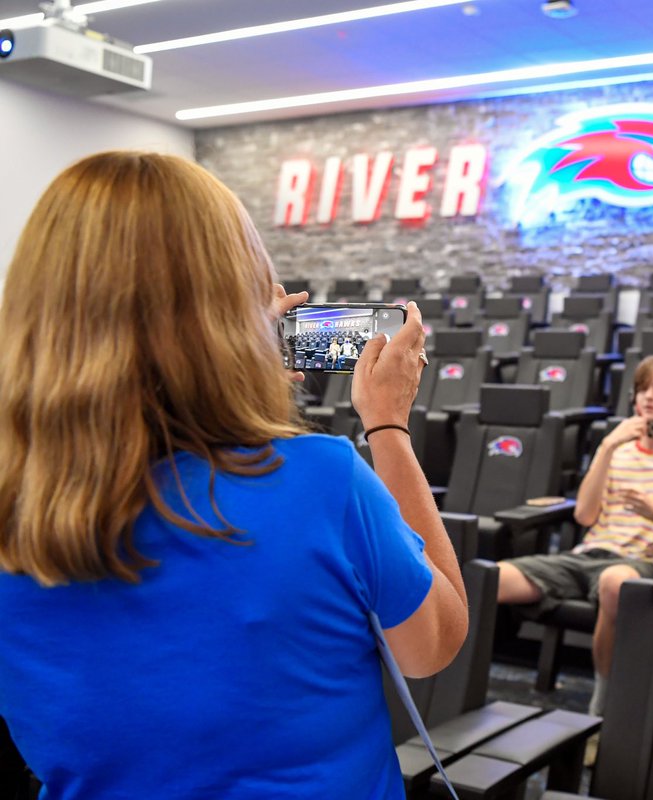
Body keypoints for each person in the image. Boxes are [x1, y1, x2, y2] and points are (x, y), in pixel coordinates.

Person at [0, 152, 467, 799]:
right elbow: (434, 644)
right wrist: (386, 424)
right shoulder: (323, 484)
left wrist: (235, 385)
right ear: (226, 313)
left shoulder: (13, 507)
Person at [496, 356, 653, 715]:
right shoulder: (617, 453)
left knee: (616, 582)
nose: (646, 398)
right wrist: (606, 447)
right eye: (641, 389)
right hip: (587, 556)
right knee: (492, 577)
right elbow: (584, 515)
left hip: (641, 562)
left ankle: (602, 702)